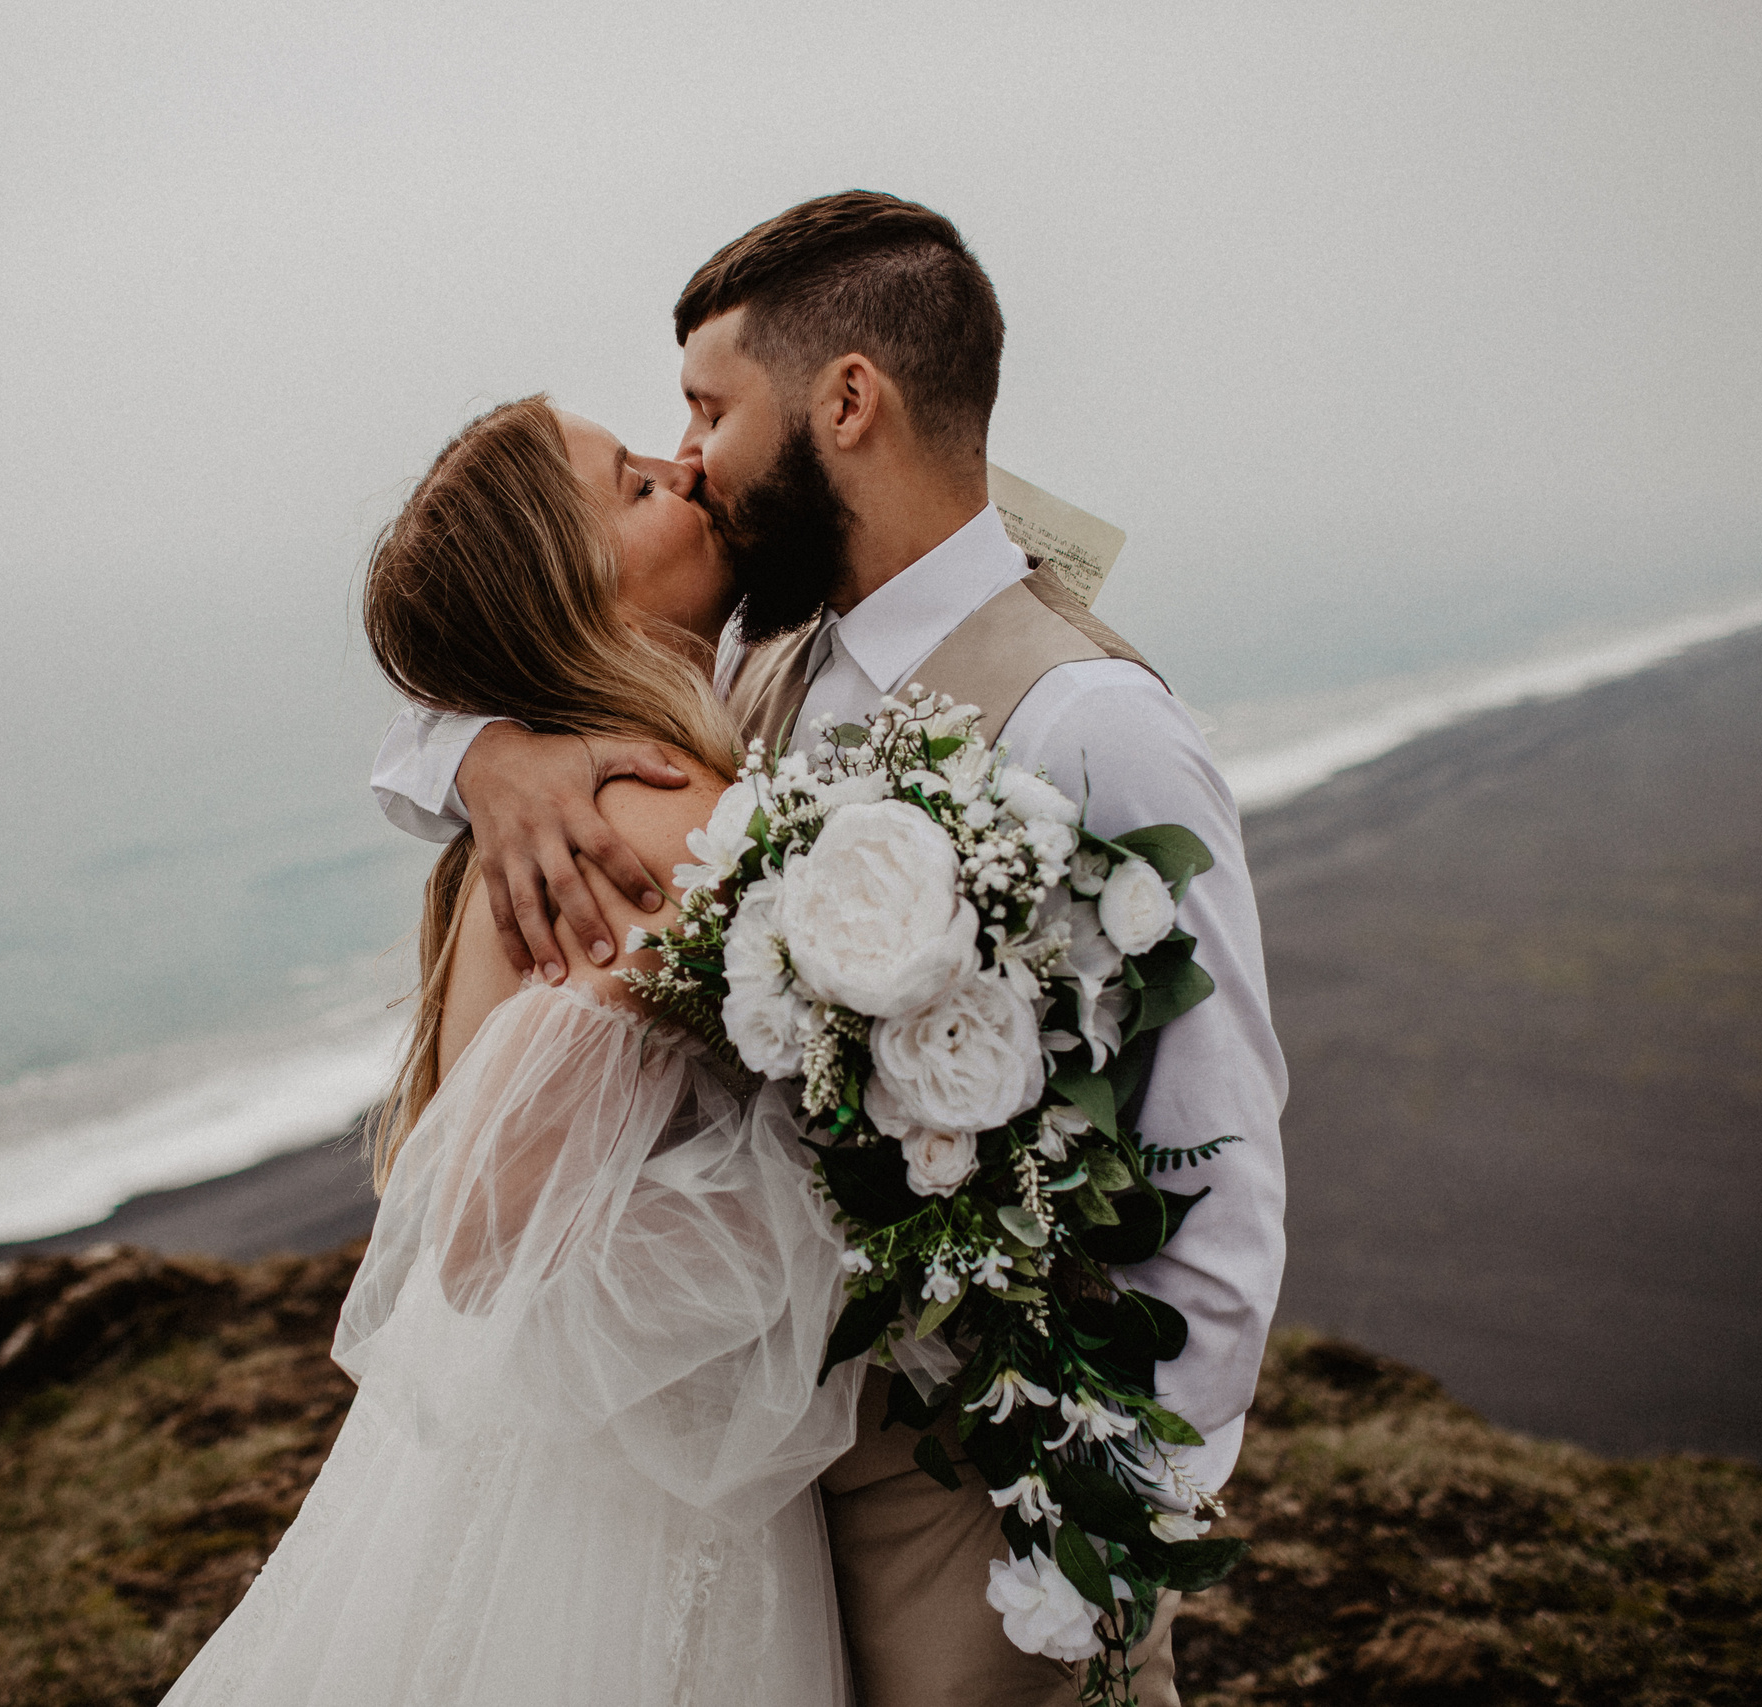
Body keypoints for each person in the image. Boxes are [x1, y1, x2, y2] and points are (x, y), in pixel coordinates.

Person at [372, 191, 1290, 1706]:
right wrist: (484, 754)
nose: (693, 461)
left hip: (975, 1483)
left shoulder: (1088, 723)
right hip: (770, 1466)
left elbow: (1221, 1152)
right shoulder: (757, 653)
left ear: (845, 400)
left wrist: (1118, 1521)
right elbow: (513, 625)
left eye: (707, 410)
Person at [160, 397, 863, 1705]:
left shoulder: (545, 810)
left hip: (532, 1481)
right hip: (628, 1522)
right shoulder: (646, 824)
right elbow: (492, 1232)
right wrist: (849, 1217)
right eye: (635, 484)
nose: (686, 466)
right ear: (574, 595)